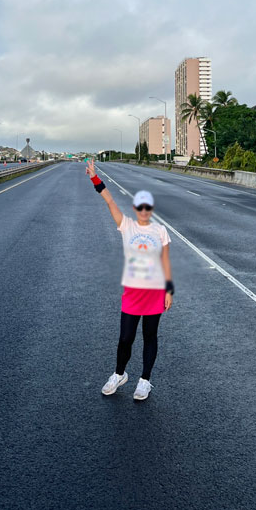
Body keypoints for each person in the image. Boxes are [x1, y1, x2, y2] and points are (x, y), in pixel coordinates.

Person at [86, 159, 173, 401]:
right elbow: (109, 200)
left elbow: (165, 261)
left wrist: (169, 290)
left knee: (150, 336)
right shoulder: (127, 226)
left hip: (154, 291)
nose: (144, 211)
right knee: (126, 338)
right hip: (133, 293)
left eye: (148, 207)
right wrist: (94, 177)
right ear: (135, 209)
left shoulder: (160, 231)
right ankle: (119, 374)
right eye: (140, 207)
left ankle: (145, 380)